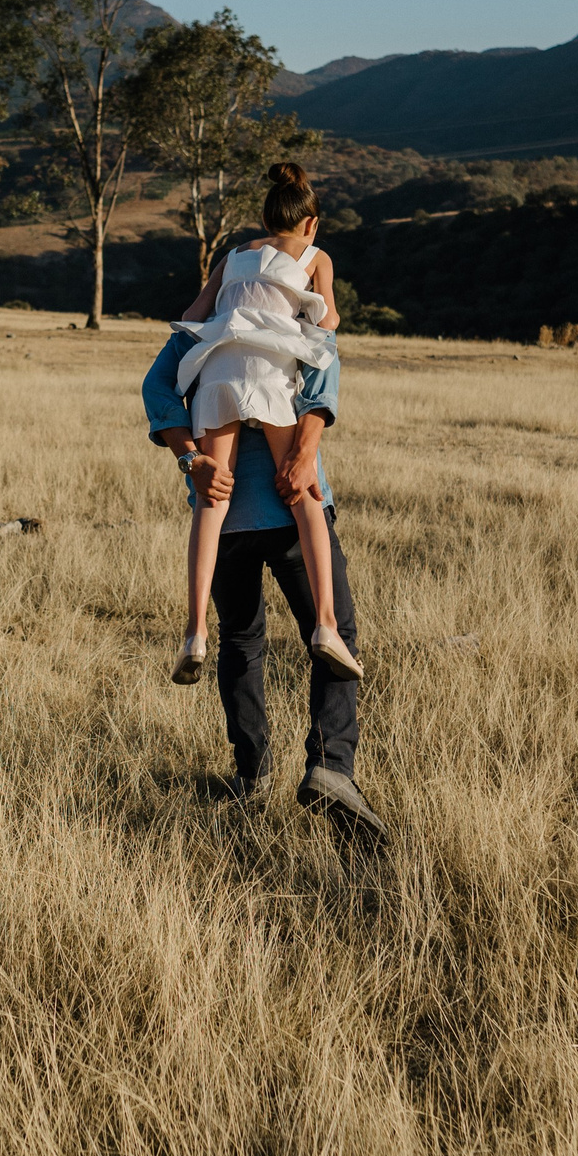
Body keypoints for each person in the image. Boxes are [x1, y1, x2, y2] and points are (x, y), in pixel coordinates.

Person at [141, 230, 386, 842]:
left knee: (241, 644)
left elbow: (156, 388)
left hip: (222, 520)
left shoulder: (200, 330)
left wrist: (188, 457)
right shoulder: (302, 316)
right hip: (292, 507)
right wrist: (304, 452)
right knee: (335, 633)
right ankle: (331, 769)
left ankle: (251, 778)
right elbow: (323, 381)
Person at [166, 163, 361, 686]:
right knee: (304, 494)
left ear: (267, 216)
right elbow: (328, 323)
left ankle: (195, 634)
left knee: (211, 500)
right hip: (272, 373)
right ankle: (325, 627)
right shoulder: (317, 255)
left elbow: (193, 311)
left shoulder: (232, 256)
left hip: (218, 372)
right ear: (310, 223)